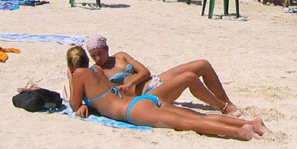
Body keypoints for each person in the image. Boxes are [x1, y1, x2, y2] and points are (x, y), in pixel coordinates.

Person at [66, 47, 268, 140]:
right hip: (144, 100)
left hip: (134, 110)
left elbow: (75, 104)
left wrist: (71, 78)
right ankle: (252, 123)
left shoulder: (79, 75)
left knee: (192, 123)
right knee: (197, 116)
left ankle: (240, 132)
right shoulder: (97, 71)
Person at [84, 35, 243, 114]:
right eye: (94, 56)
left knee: (203, 64)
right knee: (189, 78)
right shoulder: (98, 71)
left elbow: (145, 72)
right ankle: (222, 107)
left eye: (99, 54)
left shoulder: (121, 56)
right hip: (146, 96)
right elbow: (95, 95)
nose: (98, 59)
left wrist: (129, 83)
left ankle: (226, 102)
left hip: (154, 81)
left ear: (107, 49)